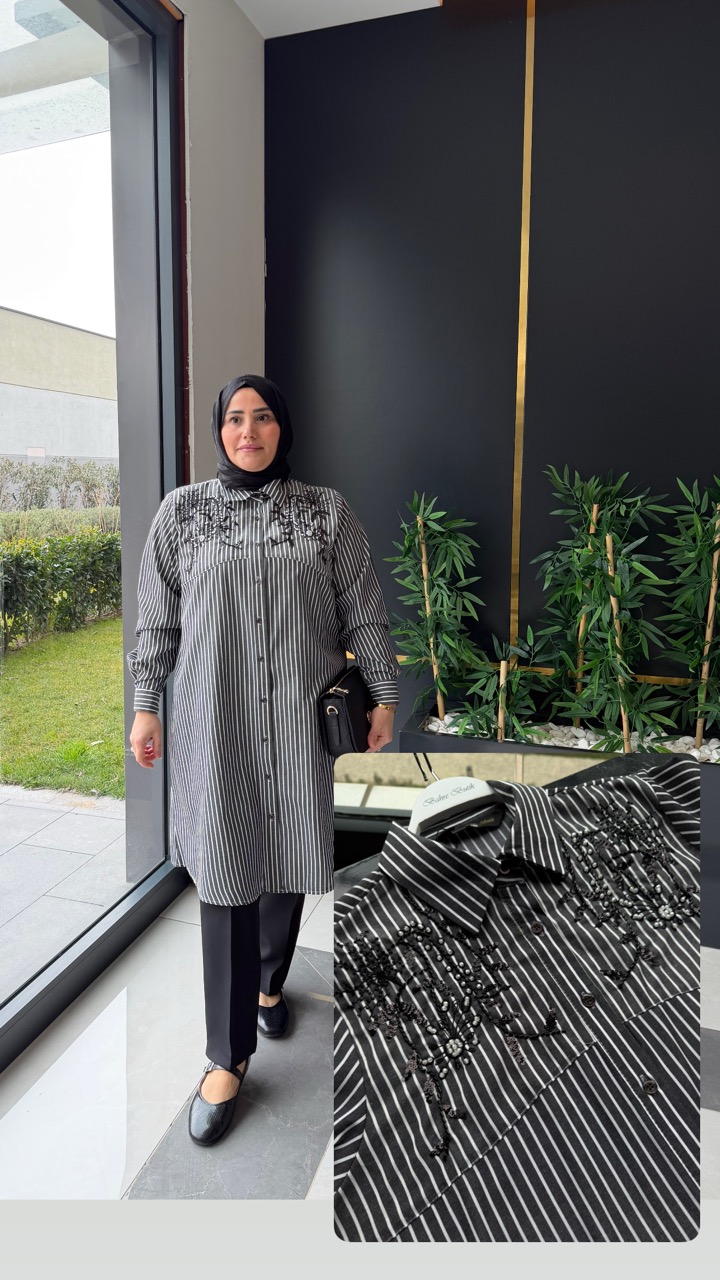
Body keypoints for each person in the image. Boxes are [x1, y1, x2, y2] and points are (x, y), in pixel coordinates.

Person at [126, 373, 399, 1146]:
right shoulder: (181, 514)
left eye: (264, 417)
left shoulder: (326, 512)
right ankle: (226, 1053)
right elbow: (156, 624)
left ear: (284, 428)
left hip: (297, 723)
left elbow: (364, 611)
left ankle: (269, 983)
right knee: (224, 868)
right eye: (235, 419)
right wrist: (145, 704)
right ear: (219, 430)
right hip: (214, 725)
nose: (248, 431)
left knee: (282, 857)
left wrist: (384, 695)